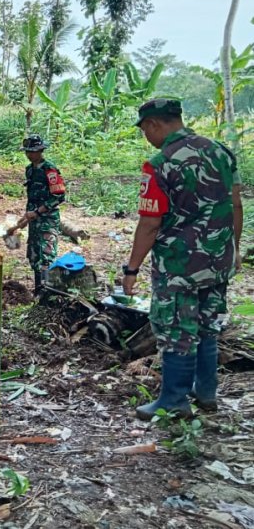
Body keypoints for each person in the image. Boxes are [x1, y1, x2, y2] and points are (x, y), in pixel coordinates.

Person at [123, 98, 243, 420]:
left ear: (154, 125)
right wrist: (234, 249)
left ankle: (174, 400)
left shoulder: (160, 164)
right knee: (207, 325)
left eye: (145, 130)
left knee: (176, 327)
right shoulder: (220, 152)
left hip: (179, 266)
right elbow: (235, 206)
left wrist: (131, 269)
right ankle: (206, 393)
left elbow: (150, 224)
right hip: (218, 261)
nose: (146, 136)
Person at [16, 134, 66, 292]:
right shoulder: (29, 170)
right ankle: (38, 290)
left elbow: (58, 196)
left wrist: (38, 212)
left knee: (46, 255)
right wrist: (26, 217)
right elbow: (32, 197)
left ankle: (47, 293)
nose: (29, 155)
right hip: (34, 221)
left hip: (47, 220)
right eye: (27, 152)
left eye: (32, 151)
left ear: (40, 151)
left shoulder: (49, 170)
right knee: (34, 255)